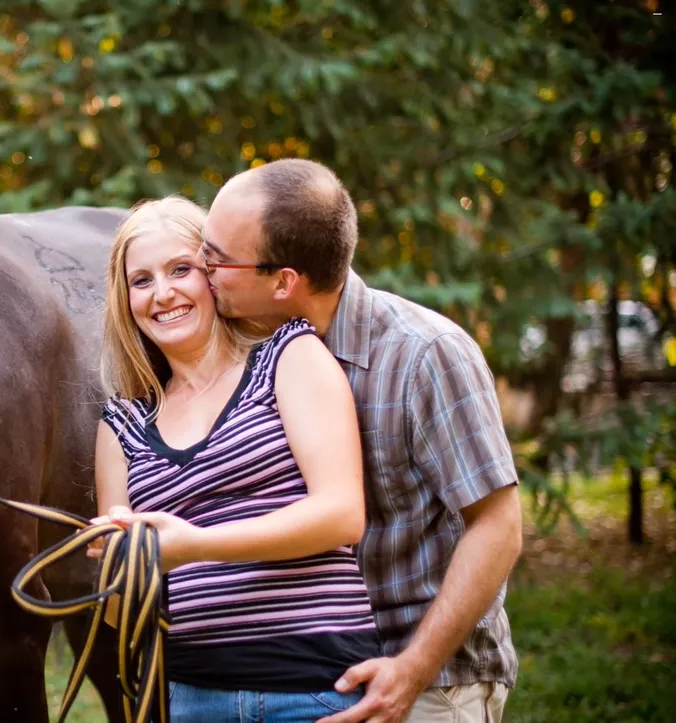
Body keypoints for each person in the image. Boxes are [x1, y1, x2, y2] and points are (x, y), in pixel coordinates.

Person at [200, 158, 522, 723]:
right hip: (317, 678)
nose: (202, 270)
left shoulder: (425, 355)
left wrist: (413, 667)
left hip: (431, 680)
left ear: (283, 282)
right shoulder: (250, 357)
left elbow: (498, 527)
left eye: (217, 259)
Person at [91, 195, 382, 723]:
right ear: (124, 297)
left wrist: (194, 545)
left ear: (213, 275)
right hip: (191, 699)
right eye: (142, 280)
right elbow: (119, 611)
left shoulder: (288, 357)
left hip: (315, 689)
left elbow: (342, 514)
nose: (163, 293)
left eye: (181, 269)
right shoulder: (122, 426)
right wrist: (122, 564)